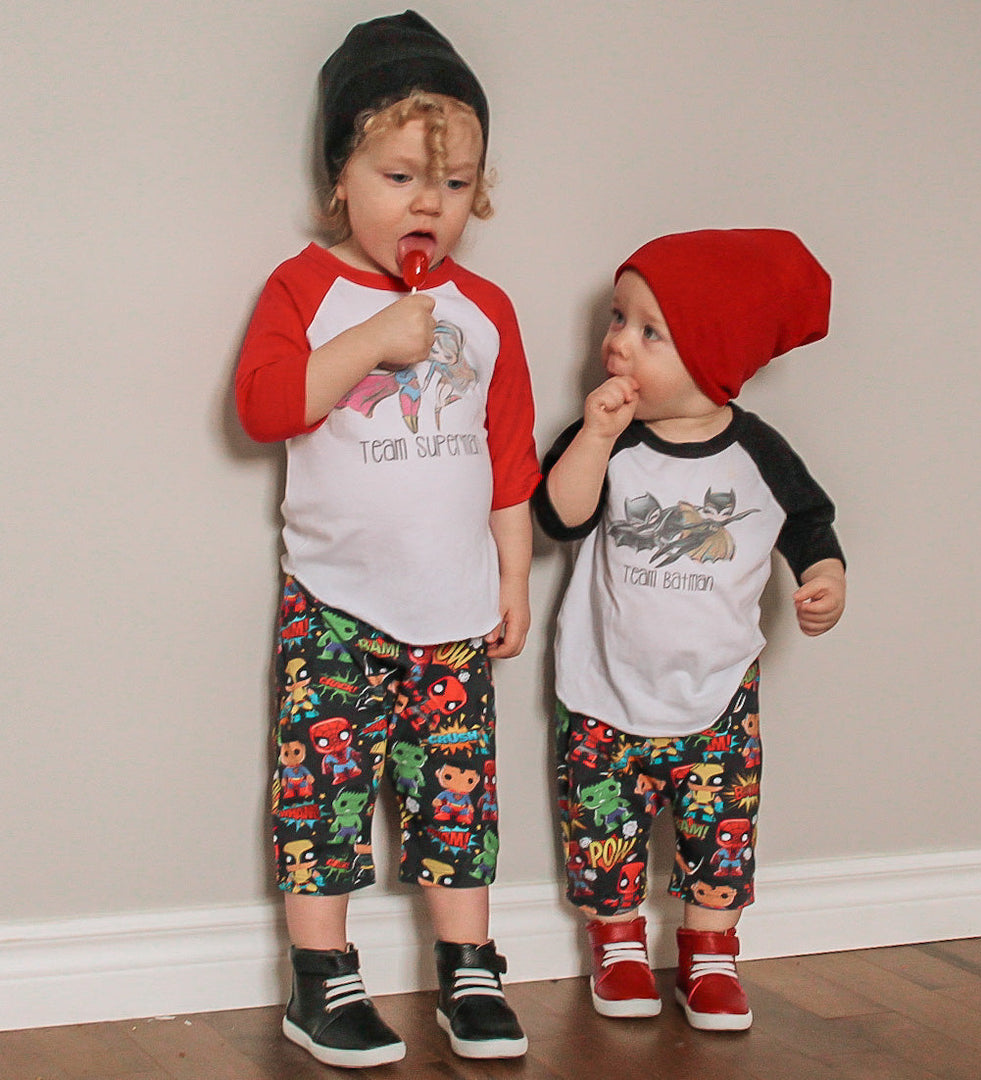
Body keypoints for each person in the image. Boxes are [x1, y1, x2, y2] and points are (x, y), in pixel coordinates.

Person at [235, 11, 539, 1068]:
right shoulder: (307, 290)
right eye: (400, 176)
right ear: (342, 179)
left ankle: (469, 968)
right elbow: (264, 406)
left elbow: (509, 457)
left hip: (454, 606)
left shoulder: (485, 310)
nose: (427, 204)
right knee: (323, 796)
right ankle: (321, 978)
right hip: (335, 602)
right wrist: (371, 338)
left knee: (458, 794)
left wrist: (512, 577)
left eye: (454, 184)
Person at [532, 229, 846, 1032]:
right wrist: (594, 437)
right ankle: (618, 947)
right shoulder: (610, 440)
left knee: (721, 833)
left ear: (713, 357)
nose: (616, 343)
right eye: (617, 318)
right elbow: (558, 517)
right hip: (605, 692)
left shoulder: (759, 455)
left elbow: (809, 523)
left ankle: (710, 955)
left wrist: (825, 577)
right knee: (604, 828)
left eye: (650, 332)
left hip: (719, 697)